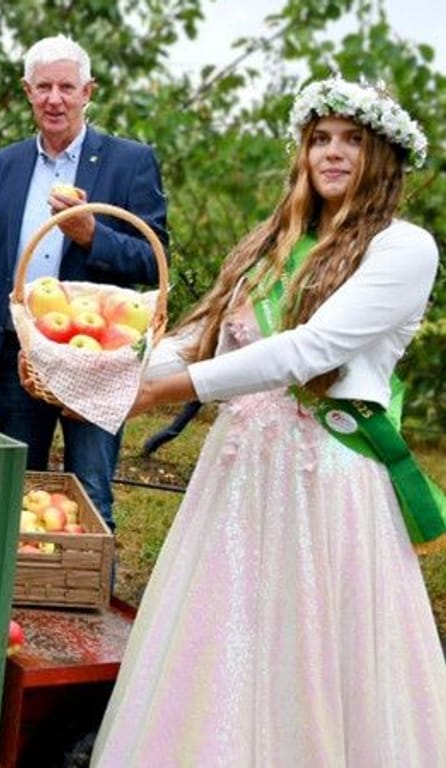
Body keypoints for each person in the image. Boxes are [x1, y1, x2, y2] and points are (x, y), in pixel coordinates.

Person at [92, 77, 446, 766]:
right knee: (223, 635)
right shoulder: (275, 241)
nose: (333, 154)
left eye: (352, 140)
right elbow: (204, 336)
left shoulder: (403, 248)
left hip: (327, 476)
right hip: (243, 469)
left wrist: (168, 393)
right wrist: (113, 369)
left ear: (384, 157)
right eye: (321, 139)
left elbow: (311, 350)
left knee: (312, 645)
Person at [0, 34, 168, 528]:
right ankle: (13, 599)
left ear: (87, 92)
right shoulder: (5, 164)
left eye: (67, 87)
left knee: (91, 488)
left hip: (96, 359)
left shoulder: (130, 161)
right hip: (21, 354)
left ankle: (88, 596)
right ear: (27, 91)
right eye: (44, 87)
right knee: (14, 492)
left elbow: (150, 260)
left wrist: (91, 235)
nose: (55, 99)